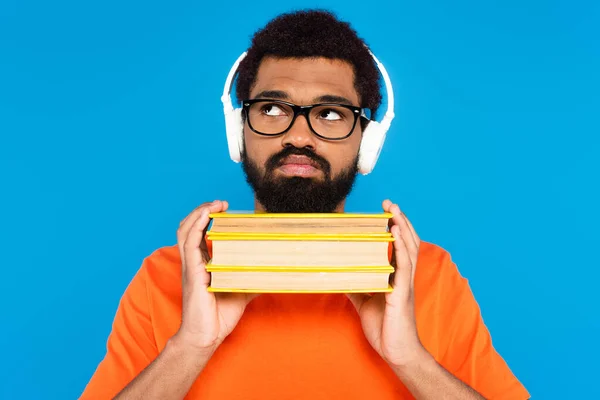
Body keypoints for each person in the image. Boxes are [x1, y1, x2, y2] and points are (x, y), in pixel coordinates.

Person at [80, 10, 529, 400]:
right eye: (272, 109)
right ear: (239, 131)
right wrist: (191, 346)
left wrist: (409, 358)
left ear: (367, 142)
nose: (299, 136)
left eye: (330, 114)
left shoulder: (426, 275)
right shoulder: (167, 276)